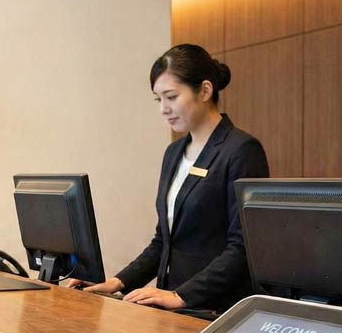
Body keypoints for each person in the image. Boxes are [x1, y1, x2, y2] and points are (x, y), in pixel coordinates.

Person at [70, 44, 270, 313]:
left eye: (171, 97)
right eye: (158, 99)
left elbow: (243, 247)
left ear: (205, 90)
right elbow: (163, 241)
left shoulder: (241, 150)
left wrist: (182, 295)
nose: (164, 109)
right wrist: (119, 282)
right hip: (172, 306)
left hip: (215, 308)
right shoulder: (174, 153)